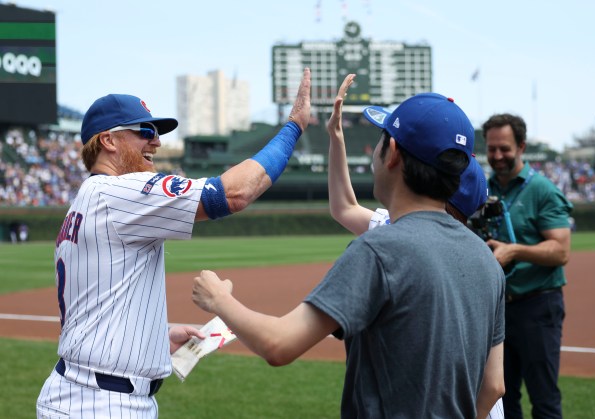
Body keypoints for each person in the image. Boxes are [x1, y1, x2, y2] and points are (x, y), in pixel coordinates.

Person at [192, 90, 506, 417]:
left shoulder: (379, 250)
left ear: (393, 152)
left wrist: (218, 299)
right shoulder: (487, 261)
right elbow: (494, 385)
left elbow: (278, 345)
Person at [36, 68, 312, 418]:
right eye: (145, 131)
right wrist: (294, 128)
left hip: (85, 393)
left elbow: (97, 303)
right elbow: (233, 193)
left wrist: (155, 338)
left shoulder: (88, 199)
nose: (157, 142)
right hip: (100, 403)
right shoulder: (118, 192)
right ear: (108, 141)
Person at [327, 74, 504, 418]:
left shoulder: (394, 241)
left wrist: (221, 301)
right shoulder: (477, 256)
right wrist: (336, 137)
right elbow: (344, 208)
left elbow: (280, 344)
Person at [482, 113, 572, 419]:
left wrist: (514, 251)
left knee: (544, 400)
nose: (497, 156)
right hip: (498, 310)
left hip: (538, 305)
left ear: (521, 146)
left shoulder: (542, 189)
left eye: (504, 148)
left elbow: (560, 250)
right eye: (491, 149)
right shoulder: (483, 190)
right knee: (502, 399)